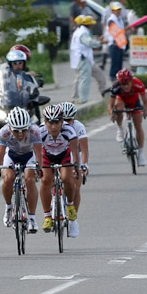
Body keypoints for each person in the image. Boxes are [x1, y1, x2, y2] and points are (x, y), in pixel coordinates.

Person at [0, 106, 43, 234]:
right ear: (10, 128)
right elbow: (0, 154)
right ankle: (9, 207)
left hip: (29, 156)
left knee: (30, 180)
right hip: (12, 155)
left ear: (28, 126)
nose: (20, 134)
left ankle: (32, 218)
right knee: (8, 178)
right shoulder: (4, 132)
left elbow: (39, 154)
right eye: (16, 131)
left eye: (23, 130)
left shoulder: (35, 131)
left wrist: (39, 168)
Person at [39, 104, 80, 233]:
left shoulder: (69, 131)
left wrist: (76, 167)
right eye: (50, 123)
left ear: (62, 121)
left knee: (66, 178)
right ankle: (47, 216)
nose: (53, 126)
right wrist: (37, 168)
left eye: (57, 122)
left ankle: (70, 204)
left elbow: (74, 151)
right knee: (46, 180)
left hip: (64, 155)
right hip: (47, 156)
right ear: (45, 122)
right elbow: (37, 153)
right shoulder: (40, 132)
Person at [107, 68, 147, 167]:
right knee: (118, 109)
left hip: (134, 102)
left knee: (138, 124)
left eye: (128, 84)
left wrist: (145, 111)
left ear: (132, 81)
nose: (125, 87)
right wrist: (112, 114)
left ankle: (141, 153)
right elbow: (110, 105)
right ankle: (120, 128)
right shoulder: (116, 86)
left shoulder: (138, 84)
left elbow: (146, 102)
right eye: (123, 85)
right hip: (121, 100)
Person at [61, 101, 88, 238]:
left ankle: (73, 220)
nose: (66, 123)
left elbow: (84, 148)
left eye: (69, 120)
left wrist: (84, 165)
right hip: (59, 155)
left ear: (74, 119)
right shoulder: (53, 127)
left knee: (76, 186)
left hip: (74, 155)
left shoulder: (79, 127)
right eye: (63, 120)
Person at [69, 14, 107, 105]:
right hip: (84, 59)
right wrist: (100, 42)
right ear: (89, 24)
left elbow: (87, 40)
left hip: (84, 59)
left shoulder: (79, 31)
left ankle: (76, 97)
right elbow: (89, 42)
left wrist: (97, 40)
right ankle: (83, 99)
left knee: (97, 75)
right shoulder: (83, 33)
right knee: (85, 79)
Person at [105, 1, 132, 81]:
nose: (118, 11)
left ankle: (118, 84)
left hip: (120, 45)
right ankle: (114, 85)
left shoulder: (120, 19)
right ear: (112, 11)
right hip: (114, 45)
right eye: (116, 10)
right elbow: (116, 32)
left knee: (119, 67)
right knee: (115, 67)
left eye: (119, 9)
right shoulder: (111, 20)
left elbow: (122, 32)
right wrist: (126, 29)